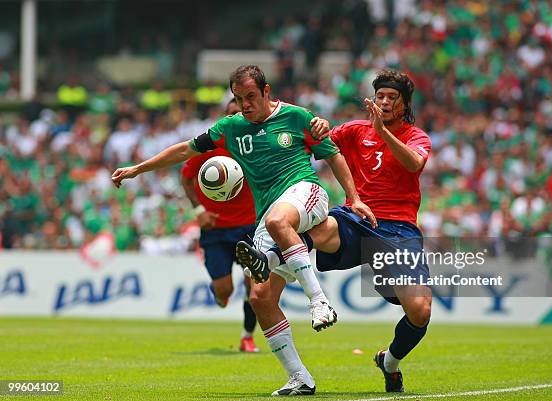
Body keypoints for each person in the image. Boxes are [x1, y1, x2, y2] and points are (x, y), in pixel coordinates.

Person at [112, 65, 375, 396]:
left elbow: (333, 156)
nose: (245, 104)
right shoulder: (231, 128)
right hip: (267, 215)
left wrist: (354, 198)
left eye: (251, 97)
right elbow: (184, 150)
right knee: (259, 297)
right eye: (239, 98)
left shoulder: (297, 117)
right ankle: (300, 377)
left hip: (305, 193)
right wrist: (138, 168)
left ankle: (319, 301)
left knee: (281, 222)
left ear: (266, 92)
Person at [237, 69, 432, 393]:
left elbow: (414, 164)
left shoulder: (416, 136)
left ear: (404, 104)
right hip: (358, 217)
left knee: (420, 312)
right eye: (380, 96)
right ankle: (266, 260)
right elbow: (316, 143)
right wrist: (321, 126)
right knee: (322, 227)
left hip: (399, 230)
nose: (384, 102)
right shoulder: (355, 131)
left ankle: (390, 363)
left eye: (391, 98)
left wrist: (383, 133)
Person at [180, 98, 258, 353]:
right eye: (232, 113)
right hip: (215, 230)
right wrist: (199, 211)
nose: (237, 117)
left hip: (249, 227)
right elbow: (186, 176)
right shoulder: (209, 146)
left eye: (241, 113)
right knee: (224, 292)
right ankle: (219, 293)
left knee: (254, 287)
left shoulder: (257, 145)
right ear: (225, 118)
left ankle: (247, 336)